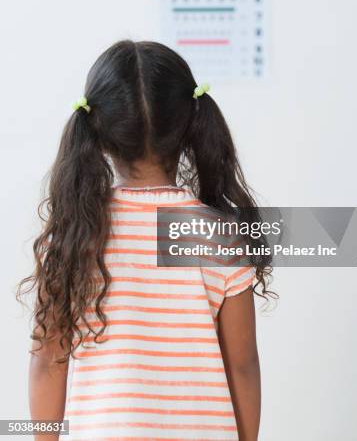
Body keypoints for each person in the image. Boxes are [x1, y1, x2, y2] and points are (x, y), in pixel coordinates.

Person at [18, 40, 272, 441]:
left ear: (99, 134)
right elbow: (243, 365)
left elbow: (49, 362)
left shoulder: (74, 238)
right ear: (191, 125)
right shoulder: (220, 237)